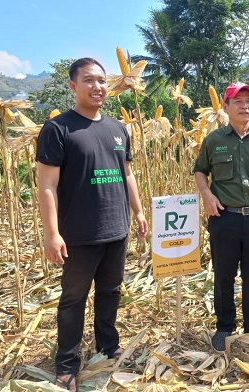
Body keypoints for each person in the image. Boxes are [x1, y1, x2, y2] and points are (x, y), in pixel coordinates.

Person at [36, 58, 148, 391]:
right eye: (88, 80)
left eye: (101, 81)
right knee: (73, 299)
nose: (97, 86)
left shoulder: (117, 129)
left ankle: (107, 345)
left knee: (111, 292)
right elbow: (46, 185)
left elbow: (126, 173)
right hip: (79, 233)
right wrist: (52, 233)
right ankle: (67, 363)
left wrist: (139, 212)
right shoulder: (58, 129)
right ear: (73, 86)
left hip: (117, 228)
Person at [193, 82, 249, 352]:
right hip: (225, 219)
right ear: (226, 107)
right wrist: (207, 195)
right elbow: (199, 171)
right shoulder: (214, 140)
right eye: (238, 102)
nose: (245, 107)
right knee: (224, 276)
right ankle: (224, 328)